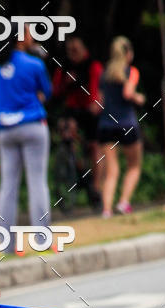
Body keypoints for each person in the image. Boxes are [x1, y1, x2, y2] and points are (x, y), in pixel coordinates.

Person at [0, 25, 52, 252]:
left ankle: (6, 245)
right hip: (32, 125)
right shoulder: (34, 64)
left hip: (5, 129)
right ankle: (42, 240)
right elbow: (46, 92)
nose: (32, 36)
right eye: (28, 32)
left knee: (7, 186)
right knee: (37, 183)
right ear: (19, 38)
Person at [97, 37, 145, 218]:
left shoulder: (104, 74)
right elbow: (128, 93)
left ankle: (107, 210)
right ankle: (123, 202)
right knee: (134, 166)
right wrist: (139, 98)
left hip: (106, 125)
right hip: (126, 123)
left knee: (111, 171)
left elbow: (100, 101)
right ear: (129, 54)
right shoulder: (130, 71)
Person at [52, 34, 103, 204]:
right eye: (70, 51)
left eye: (76, 50)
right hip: (72, 110)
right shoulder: (65, 67)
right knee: (66, 128)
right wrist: (65, 82)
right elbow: (55, 91)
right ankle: (78, 167)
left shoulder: (92, 65)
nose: (73, 54)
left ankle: (96, 187)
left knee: (94, 146)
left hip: (89, 109)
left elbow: (96, 88)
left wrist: (95, 103)